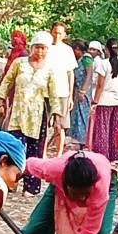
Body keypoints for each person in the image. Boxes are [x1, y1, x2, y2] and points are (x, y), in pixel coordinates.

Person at [0, 33, 53, 191]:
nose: (40, 51)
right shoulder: (19, 63)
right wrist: (1, 100)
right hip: (18, 113)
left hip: (37, 115)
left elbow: (54, 93)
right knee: (14, 148)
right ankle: (9, 180)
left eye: (43, 48)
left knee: (34, 152)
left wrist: (56, 114)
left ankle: (31, 187)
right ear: (31, 47)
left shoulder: (49, 69)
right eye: (37, 47)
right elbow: (7, 81)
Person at [87, 39, 118, 162]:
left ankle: (102, 155)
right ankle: (115, 155)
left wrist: (95, 101)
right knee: (115, 129)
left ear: (106, 49)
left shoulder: (103, 64)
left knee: (102, 129)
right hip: (117, 100)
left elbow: (100, 85)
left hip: (104, 100)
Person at [44, 23, 79, 151]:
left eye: (60, 33)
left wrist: (70, 97)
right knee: (44, 126)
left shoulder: (67, 50)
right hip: (46, 92)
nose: (57, 36)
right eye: (55, 32)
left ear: (64, 35)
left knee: (61, 126)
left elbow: (70, 74)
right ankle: (42, 153)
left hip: (62, 92)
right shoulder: (45, 47)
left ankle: (58, 154)